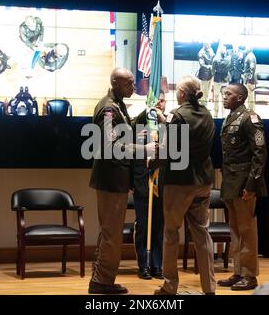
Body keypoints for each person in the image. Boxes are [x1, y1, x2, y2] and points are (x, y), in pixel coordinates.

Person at [88, 67, 156, 294]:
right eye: (129, 83)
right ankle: (101, 283)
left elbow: (123, 131)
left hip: (115, 178)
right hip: (110, 179)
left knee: (110, 232)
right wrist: (143, 149)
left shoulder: (117, 104)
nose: (133, 87)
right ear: (115, 82)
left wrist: (146, 114)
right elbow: (110, 146)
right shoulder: (109, 108)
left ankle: (101, 278)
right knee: (111, 234)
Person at [154, 76, 216, 295]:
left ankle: (169, 286)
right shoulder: (208, 114)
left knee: (171, 234)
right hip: (204, 182)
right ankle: (209, 288)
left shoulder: (177, 114)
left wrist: (163, 124)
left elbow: (168, 148)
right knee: (202, 234)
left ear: (182, 93)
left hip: (179, 182)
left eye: (178, 90)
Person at [218, 83, 267, 291]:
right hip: (230, 180)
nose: (224, 97)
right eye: (224, 93)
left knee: (247, 230)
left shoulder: (250, 118)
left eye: (229, 94)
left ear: (240, 98)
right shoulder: (230, 117)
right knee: (236, 230)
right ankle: (238, 272)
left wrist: (252, 184)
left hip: (244, 181)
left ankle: (250, 275)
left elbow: (260, 152)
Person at [132, 91, 166, 280]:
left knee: (159, 227)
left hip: (162, 183)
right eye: (156, 102)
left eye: (162, 101)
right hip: (143, 182)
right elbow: (131, 155)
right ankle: (143, 265)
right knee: (144, 225)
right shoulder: (139, 124)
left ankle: (157, 265)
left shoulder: (169, 124)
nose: (159, 104)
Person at [212, 44, 231, 118]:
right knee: (225, 97)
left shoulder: (215, 59)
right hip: (225, 80)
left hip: (217, 80)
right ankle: (224, 115)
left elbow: (213, 71)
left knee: (216, 97)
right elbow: (229, 68)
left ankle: (215, 114)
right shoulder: (229, 58)